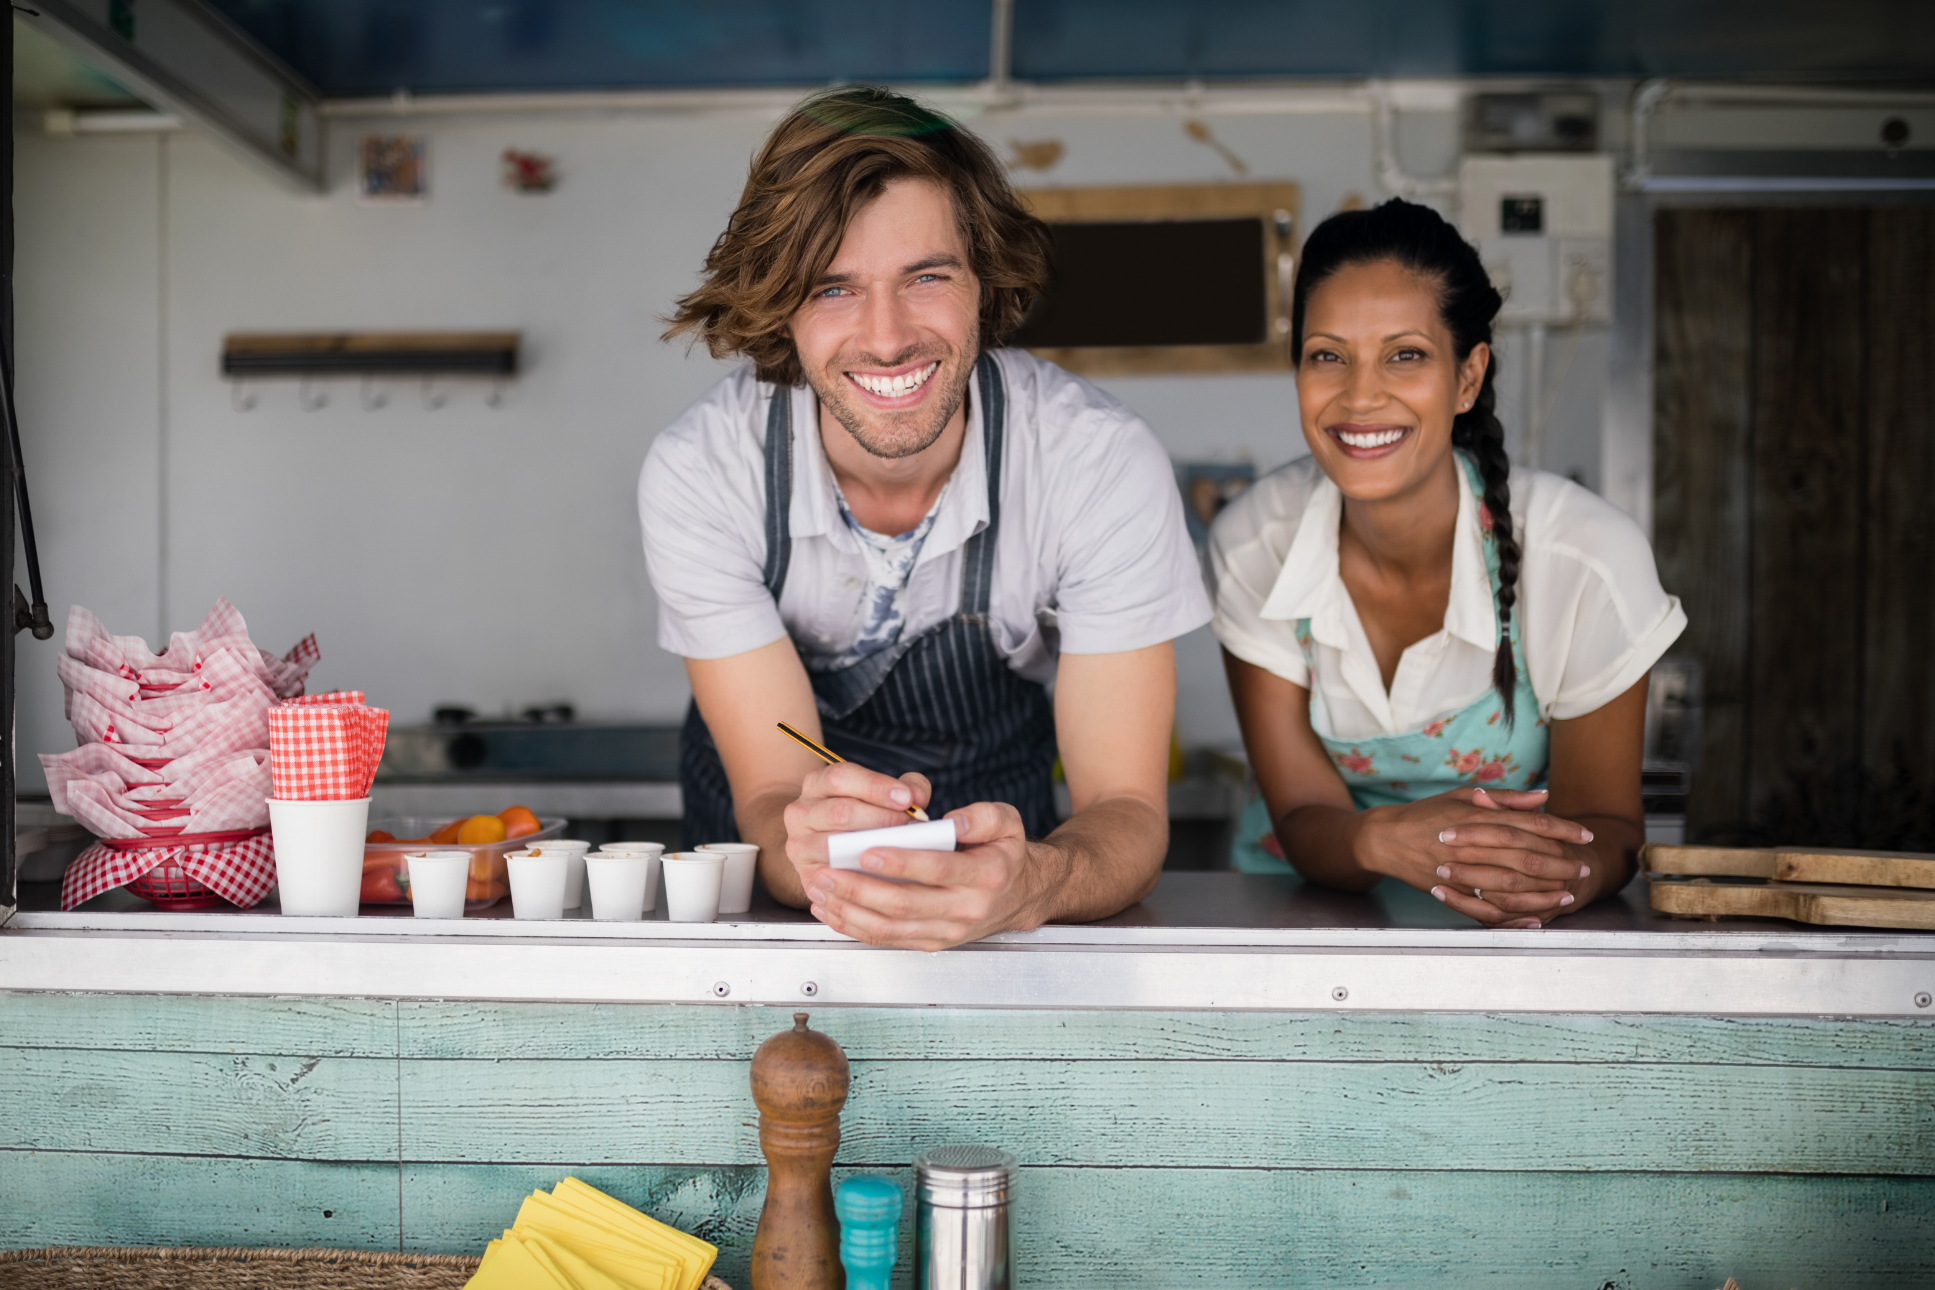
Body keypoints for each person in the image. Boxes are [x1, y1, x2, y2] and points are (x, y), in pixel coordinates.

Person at [642, 87, 1209, 950]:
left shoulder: (1096, 465)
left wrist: (1035, 882)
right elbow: (768, 796)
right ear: (780, 308)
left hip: (1010, 900)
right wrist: (830, 868)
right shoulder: (703, 474)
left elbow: (1124, 810)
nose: (887, 337)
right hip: (775, 914)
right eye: (832, 289)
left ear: (983, 281)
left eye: (927, 277)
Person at [1210, 199, 1685, 926]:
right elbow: (1304, 813)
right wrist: (1374, 838)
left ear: (1467, 378)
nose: (1360, 395)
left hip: (1512, 928)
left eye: (1405, 355)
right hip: (1304, 920)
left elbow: (1606, 829)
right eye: (1326, 356)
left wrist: (1551, 874)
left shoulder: (1585, 561)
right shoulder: (1253, 542)